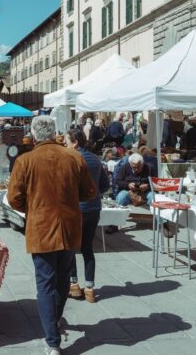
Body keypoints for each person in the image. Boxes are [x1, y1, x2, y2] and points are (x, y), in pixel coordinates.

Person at [8, 116, 96, 355]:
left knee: (46, 283)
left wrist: (33, 206)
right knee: (62, 278)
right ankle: (54, 321)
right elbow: (90, 192)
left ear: (35, 136)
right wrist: (67, 200)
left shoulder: (25, 160)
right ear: (54, 132)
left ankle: (52, 340)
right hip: (69, 226)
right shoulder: (74, 157)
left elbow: (13, 198)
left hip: (41, 226)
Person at [66, 129, 109, 303]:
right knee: (87, 248)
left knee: (70, 248)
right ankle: (90, 289)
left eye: (67, 142)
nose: (65, 145)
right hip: (93, 209)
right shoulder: (95, 159)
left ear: (75, 142)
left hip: (76, 209)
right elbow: (105, 185)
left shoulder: (71, 159)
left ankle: (74, 285)